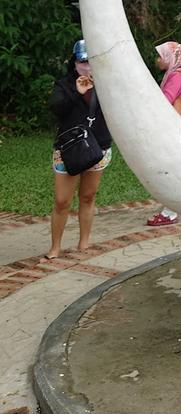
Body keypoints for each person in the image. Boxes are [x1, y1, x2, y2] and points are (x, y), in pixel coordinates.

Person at [47, 39, 112, 258]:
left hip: (98, 146)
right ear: (74, 62)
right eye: (82, 61)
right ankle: (55, 247)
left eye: (91, 61)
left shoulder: (106, 84)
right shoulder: (64, 84)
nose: (87, 65)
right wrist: (76, 91)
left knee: (88, 196)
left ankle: (84, 243)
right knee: (62, 201)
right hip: (70, 147)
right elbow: (56, 108)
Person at [146, 40, 181, 227]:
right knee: (178, 171)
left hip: (176, 131)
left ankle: (170, 212)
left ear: (171, 58)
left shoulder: (175, 77)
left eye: (161, 56)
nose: (157, 59)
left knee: (171, 172)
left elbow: (165, 101)